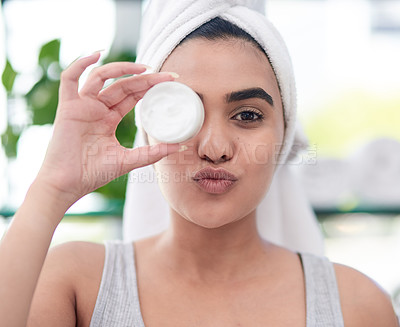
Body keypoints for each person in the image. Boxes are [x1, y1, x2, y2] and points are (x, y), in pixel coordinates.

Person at [0, 1, 398, 326]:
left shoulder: (358, 306)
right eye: (184, 111)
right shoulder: (76, 282)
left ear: (284, 135)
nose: (215, 147)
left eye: (247, 115)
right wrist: (53, 186)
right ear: (149, 125)